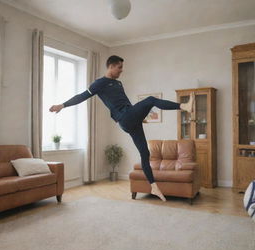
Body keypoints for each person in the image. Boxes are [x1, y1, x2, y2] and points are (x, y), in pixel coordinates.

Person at [49, 55, 194, 202]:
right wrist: (62, 105)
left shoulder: (118, 84)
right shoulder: (99, 84)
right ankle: (184, 106)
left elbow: (126, 103)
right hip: (124, 119)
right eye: (119, 67)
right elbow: (81, 96)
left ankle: (153, 186)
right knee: (151, 100)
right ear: (111, 66)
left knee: (145, 153)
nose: (121, 70)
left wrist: (139, 116)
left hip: (131, 118)